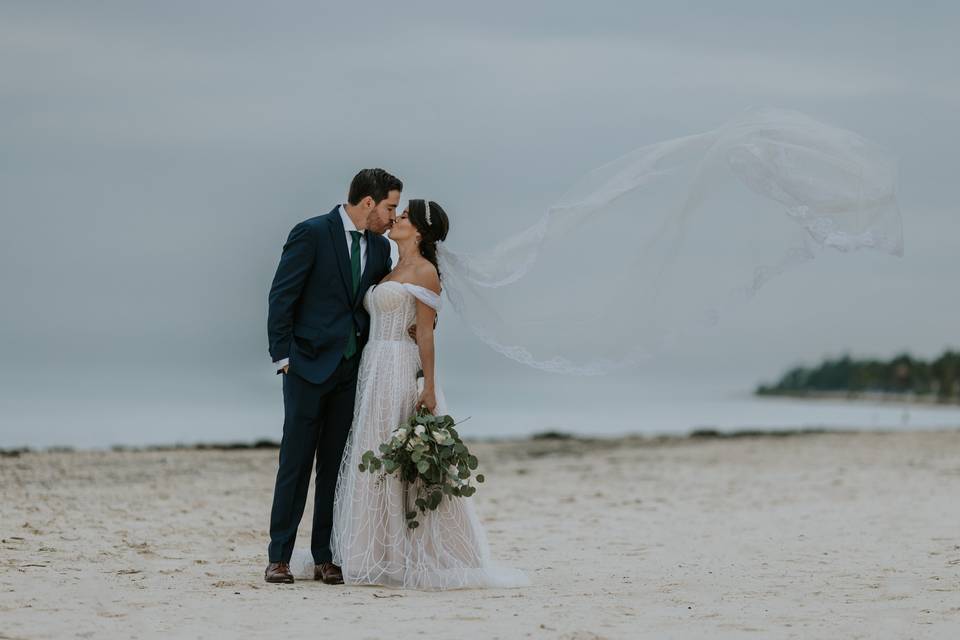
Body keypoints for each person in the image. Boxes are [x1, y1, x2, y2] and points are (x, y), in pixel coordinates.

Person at [327, 199, 528, 590]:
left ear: (418, 230)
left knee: (394, 454)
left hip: (399, 367)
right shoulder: (390, 269)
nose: (396, 218)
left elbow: (425, 332)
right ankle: (370, 548)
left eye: (403, 216)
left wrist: (430, 386)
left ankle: (405, 553)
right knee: (373, 445)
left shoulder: (425, 271)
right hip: (372, 365)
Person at [264, 168, 401, 584]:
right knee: (296, 463)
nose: (393, 217)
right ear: (368, 203)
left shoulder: (379, 249)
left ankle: (325, 555)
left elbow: (376, 302)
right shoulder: (311, 233)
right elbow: (282, 295)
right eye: (390, 207)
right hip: (305, 366)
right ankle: (279, 557)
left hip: (350, 370)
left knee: (336, 467)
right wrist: (282, 357)